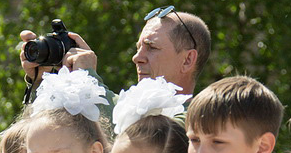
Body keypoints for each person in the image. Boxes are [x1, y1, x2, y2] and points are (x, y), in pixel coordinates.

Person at [18, 7, 210, 104]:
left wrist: (87, 78)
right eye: (138, 48)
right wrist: (41, 81)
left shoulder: (198, 123)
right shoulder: (123, 106)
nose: (137, 58)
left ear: (187, 60)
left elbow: (124, 134)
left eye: (151, 48)